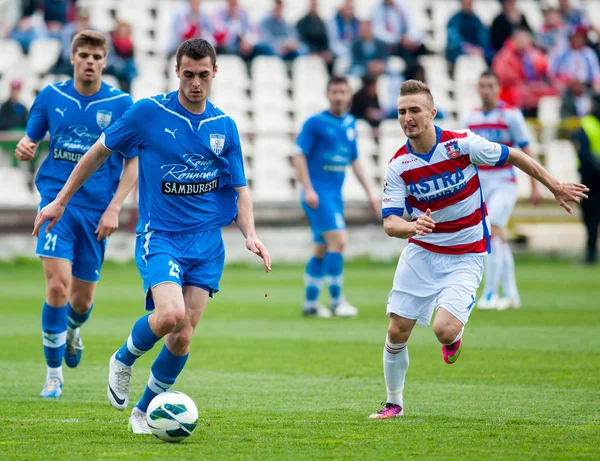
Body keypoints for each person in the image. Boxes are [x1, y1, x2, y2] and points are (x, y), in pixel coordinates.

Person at [33, 38, 271, 433]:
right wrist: (59, 201)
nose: (196, 83)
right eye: (189, 74)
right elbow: (97, 152)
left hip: (208, 243)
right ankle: (123, 359)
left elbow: (240, 188)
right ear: (177, 71)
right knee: (170, 314)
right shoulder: (147, 113)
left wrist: (250, 233)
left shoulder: (223, 126)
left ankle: (143, 412)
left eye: (204, 75)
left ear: (215, 73)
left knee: (183, 337)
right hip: (160, 235)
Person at [369, 79, 587, 419]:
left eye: (414, 110)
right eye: (401, 112)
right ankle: (393, 402)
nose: (407, 118)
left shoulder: (461, 144)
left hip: (466, 252)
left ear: (432, 113)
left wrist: (554, 184)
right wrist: (413, 227)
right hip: (422, 254)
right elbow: (390, 223)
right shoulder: (398, 166)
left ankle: (454, 337)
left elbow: (513, 154)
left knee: (444, 330)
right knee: (397, 329)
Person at [14, 30, 138, 399]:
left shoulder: (120, 103)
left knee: (81, 302)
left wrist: (115, 206)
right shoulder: (51, 96)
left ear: (104, 61)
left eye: (97, 57)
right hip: (56, 202)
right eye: (83, 54)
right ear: (72, 58)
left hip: (97, 210)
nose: (90, 61)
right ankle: (53, 375)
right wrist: (25, 144)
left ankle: (72, 329)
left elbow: (133, 161)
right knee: (56, 286)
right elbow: (30, 139)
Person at [292, 76, 380, 319]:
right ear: (327, 94)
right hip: (319, 195)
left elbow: (355, 160)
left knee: (322, 247)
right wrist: (308, 189)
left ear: (349, 95)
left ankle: (310, 304)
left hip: (335, 195)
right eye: (334, 91)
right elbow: (299, 155)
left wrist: (370, 193)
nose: (339, 96)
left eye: (343, 91)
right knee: (339, 241)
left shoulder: (351, 123)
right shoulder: (315, 123)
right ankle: (336, 301)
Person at [465, 70, 541, 310]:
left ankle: (489, 294)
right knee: (497, 238)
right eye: (483, 85)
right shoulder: (471, 119)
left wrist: (534, 186)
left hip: (503, 182)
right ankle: (511, 294)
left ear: (498, 89)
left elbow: (526, 151)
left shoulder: (510, 116)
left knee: (493, 231)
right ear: (478, 88)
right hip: (481, 184)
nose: (486, 90)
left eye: (490, 86)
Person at [572, 98, 600, 264]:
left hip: (590, 179)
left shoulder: (586, 123)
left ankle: (590, 255)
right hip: (590, 179)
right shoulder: (587, 123)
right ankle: (590, 254)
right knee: (590, 218)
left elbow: (582, 152)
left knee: (591, 218)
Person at [548, 25, 600, 94]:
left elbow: (596, 77)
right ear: (570, 37)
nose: (578, 39)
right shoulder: (560, 52)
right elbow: (551, 74)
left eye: (581, 37)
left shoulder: (588, 53)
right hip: (564, 88)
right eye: (576, 37)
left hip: (585, 88)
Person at [446, 0, 492, 68]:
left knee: (491, 54)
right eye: (466, 3)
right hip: (458, 50)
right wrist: (468, 48)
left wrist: (480, 48)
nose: (468, 5)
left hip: (475, 49)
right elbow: (453, 39)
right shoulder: (454, 19)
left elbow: (482, 36)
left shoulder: (476, 19)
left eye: (470, 3)